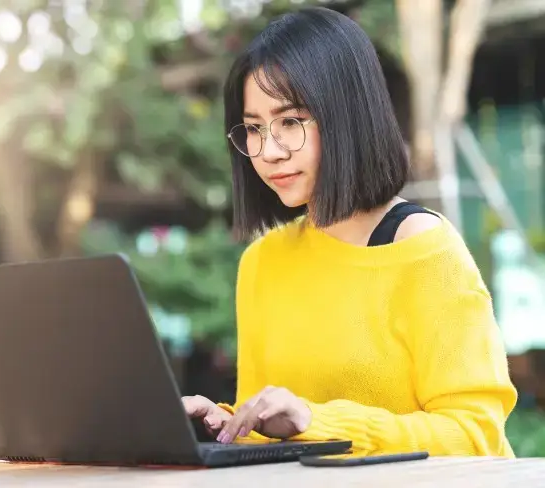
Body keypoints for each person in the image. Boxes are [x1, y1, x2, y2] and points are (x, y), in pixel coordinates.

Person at [181, 7, 517, 457]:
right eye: (255, 128)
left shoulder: (423, 250)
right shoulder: (262, 262)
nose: (270, 151)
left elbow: (477, 437)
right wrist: (228, 424)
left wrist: (319, 422)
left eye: (290, 122)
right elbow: (273, 435)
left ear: (347, 116)